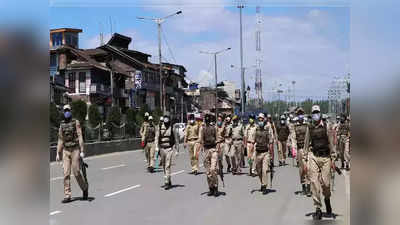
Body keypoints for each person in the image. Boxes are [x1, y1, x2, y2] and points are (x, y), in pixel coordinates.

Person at [304, 105, 337, 220]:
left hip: (326, 158)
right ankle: (318, 208)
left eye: (317, 112)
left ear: (320, 113)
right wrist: (304, 159)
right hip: (313, 156)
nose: (315, 114)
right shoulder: (310, 127)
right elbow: (306, 143)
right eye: (314, 112)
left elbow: (331, 143)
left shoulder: (327, 126)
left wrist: (333, 158)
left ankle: (327, 199)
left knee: (326, 184)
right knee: (314, 183)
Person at [56, 104, 89, 203]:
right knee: (66, 173)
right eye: (65, 110)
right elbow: (60, 139)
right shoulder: (62, 124)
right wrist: (58, 153)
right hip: (66, 151)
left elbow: (80, 136)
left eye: (68, 110)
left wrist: (82, 150)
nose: (66, 112)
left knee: (76, 172)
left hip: (75, 150)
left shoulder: (75, 122)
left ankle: (84, 188)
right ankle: (67, 195)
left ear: (70, 111)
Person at [291, 107, 311, 196]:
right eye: (299, 114)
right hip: (299, 149)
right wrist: (294, 149)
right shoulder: (294, 126)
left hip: (308, 149)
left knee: (309, 168)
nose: (300, 115)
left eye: (301, 114)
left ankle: (309, 187)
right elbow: (293, 139)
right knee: (302, 169)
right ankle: (304, 187)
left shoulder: (308, 125)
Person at [254, 113, 274, 194]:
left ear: (264, 120)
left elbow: (270, 142)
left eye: (262, 119)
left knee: (265, 170)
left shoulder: (267, 130)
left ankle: (265, 185)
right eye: (259, 119)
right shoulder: (255, 129)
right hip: (258, 152)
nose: (260, 120)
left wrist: (271, 155)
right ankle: (262, 183)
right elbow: (252, 141)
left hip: (265, 152)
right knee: (259, 171)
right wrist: (251, 154)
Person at [201, 113, 220, 196]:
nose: (208, 121)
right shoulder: (203, 129)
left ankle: (216, 187)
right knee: (208, 172)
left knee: (213, 170)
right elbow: (201, 140)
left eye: (209, 119)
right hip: (206, 150)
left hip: (213, 150)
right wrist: (201, 150)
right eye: (206, 119)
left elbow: (218, 139)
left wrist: (217, 149)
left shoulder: (214, 128)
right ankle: (211, 188)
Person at [157, 114, 176, 190]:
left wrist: (177, 149)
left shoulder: (172, 127)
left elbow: (176, 138)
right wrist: (156, 147)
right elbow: (157, 137)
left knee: (167, 166)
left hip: (169, 149)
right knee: (164, 166)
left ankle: (166, 182)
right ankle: (169, 179)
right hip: (162, 149)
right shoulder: (160, 127)